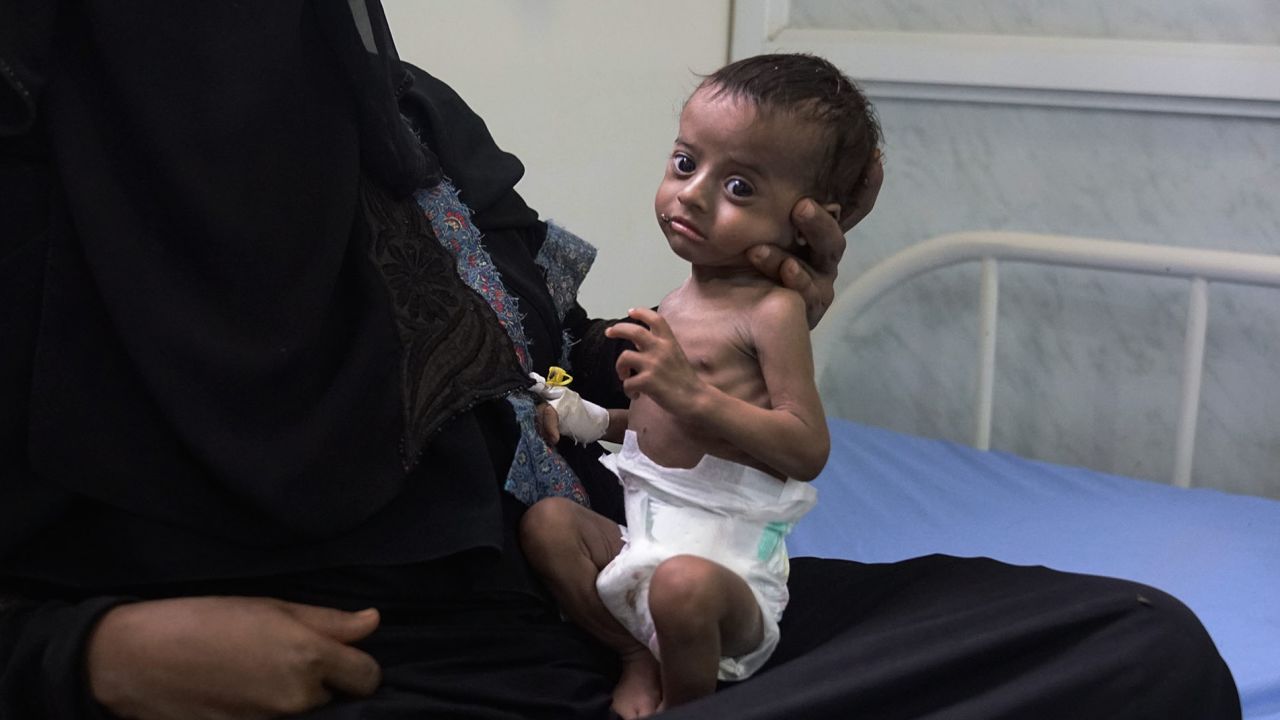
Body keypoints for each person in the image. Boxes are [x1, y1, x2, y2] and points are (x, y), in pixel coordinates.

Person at [0, 3, 1240, 720]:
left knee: (1134, 654)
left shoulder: (391, 122)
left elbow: (548, 371)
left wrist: (728, 324)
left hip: (587, 614)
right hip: (323, 679)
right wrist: (84, 656)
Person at [520, 54, 879, 717]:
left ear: (805, 220)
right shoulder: (679, 299)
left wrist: (695, 395)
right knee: (546, 526)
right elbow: (662, 424)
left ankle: (689, 704)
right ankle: (636, 652)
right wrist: (588, 419)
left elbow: (807, 448)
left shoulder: (774, 311)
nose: (692, 193)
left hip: (723, 579)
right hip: (642, 542)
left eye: (740, 187)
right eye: (687, 164)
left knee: (682, 587)